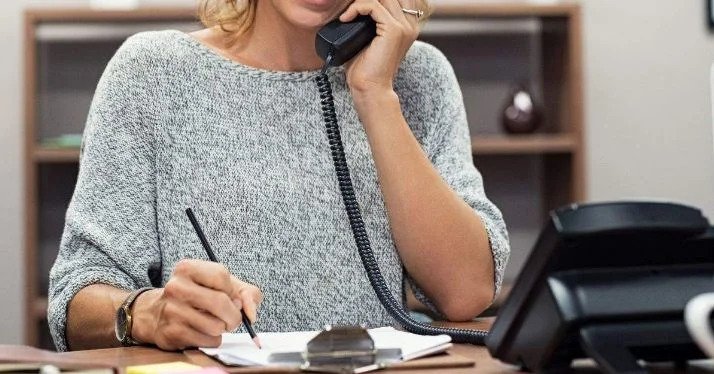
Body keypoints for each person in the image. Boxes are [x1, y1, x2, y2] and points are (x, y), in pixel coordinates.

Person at [48, 0, 510, 352]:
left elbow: (464, 293)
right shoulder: (151, 72)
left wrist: (374, 93)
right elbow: (74, 299)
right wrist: (147, 314)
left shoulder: (416, 77)